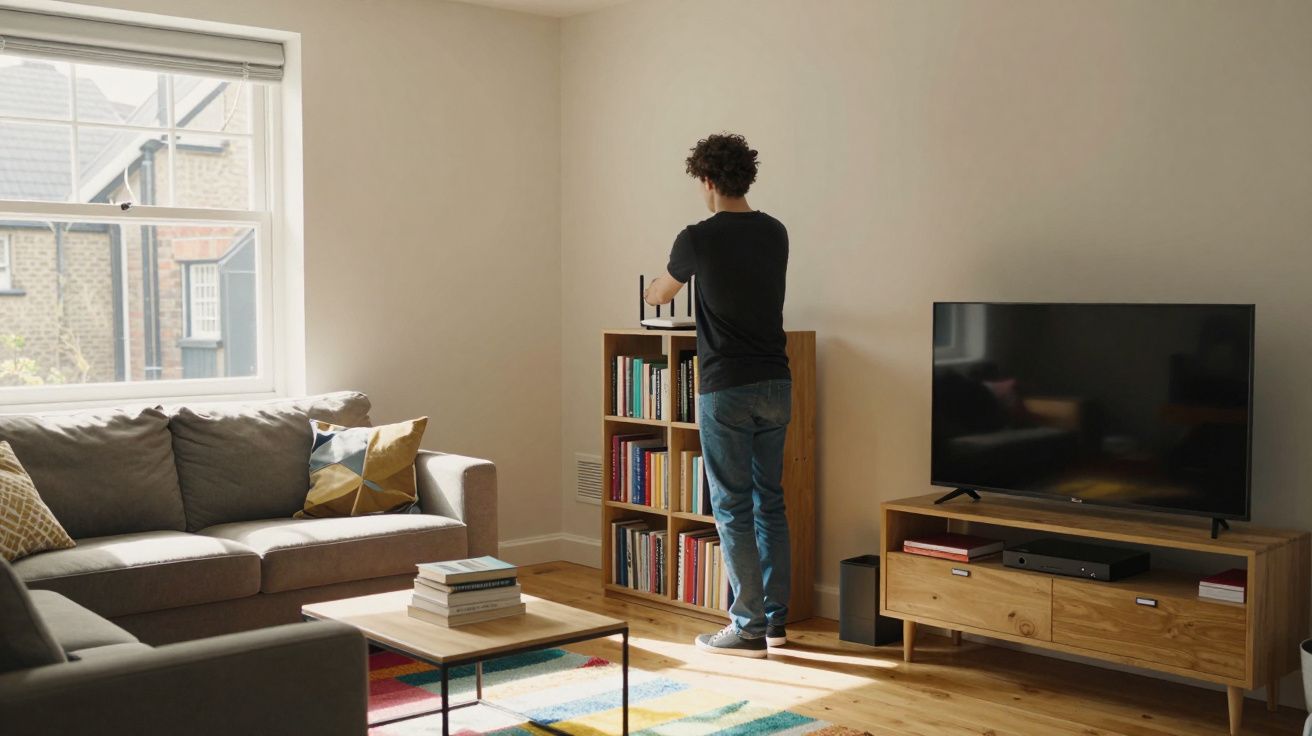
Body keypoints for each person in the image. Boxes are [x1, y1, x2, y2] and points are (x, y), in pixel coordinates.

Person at [644, 132, 791, 658]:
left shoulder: (697, 237)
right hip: (777, 381)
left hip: (726, 385)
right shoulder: (776, 232)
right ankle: (775, 622)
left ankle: (747, 627)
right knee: (768, 501)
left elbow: (663, 292)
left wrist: (652, 288)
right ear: (745, 177)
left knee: (731, 507)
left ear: (707, 181)